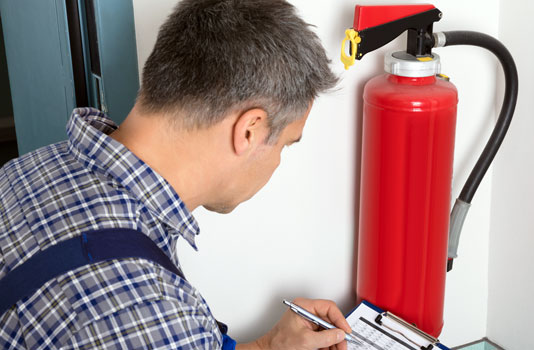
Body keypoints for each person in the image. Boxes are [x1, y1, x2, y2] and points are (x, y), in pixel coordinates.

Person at [0, 0, 350, 349]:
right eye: (286, 144)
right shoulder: (156, 317)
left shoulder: (24, 170)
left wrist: (266, 346)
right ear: (250, 131)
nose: (277, 162)